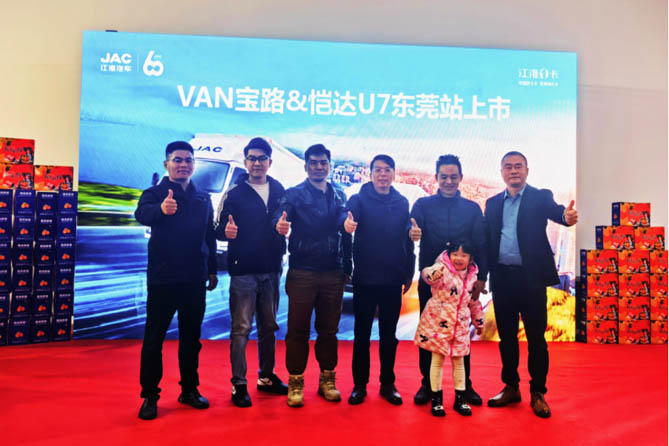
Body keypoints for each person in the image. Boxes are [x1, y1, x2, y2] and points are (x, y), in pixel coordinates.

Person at [484, 150, 578, 418]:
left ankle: (538, 392)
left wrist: (566, 217)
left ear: (527, 171)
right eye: (508, 167)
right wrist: (481, 277)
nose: (513, 171)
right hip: (502, 279)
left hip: (531, 280)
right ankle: (511, 387)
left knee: (536, 339)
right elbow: (487, 239)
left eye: (518, 166)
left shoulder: (540, 197)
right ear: (502, 172)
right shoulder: (492, 203)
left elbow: (558, 213)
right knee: (507, 338)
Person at [134, 141, 218, 420]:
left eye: (188, 160)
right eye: (177, 160)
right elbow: (141, 214)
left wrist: (212, 270)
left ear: (194, 164)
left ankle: (189, 390)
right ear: (166, 164)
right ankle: (149, 396)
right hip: (163, 278)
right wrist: (160, 210)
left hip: (194, 278)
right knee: (154, 339)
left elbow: (209, 236)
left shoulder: (202, 197)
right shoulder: (154, 194)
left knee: (191, 339)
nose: (183, 165)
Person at [273, 144, 352, 407]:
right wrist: (279, 224)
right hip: (303, 271)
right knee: (298, 330)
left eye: (323, 162)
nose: (319, 167)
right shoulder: (294, 194)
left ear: (330, 165)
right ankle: (295, 382)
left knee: (329, 331)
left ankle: (327, 380)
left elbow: (343, 221)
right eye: (314, 163)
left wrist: (347, 267)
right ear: (306, 166)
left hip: (333, 271)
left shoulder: (340, 194)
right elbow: (280, 215)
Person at [409, 154, 488, 406]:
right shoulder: (422, 205)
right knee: (428, 334)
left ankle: (465, 387)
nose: (449, 181)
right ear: (436, 178)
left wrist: (482, 278)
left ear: (461, 178)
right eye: (444, 176)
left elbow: (481, 244)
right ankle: (427, 385)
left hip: (462, 286)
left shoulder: (472, 209)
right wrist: (412, 232)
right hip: (432, 284)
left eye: (454, 177)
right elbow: (410, 227)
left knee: (460, 334)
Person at [215, 137, 288, 408]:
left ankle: (266, 377)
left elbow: (285, 220)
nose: (257, 163)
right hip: (243, 270)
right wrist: (226, 231)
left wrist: (284, 229)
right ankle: (239, 384)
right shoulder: (234, 193)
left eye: (262, 158)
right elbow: (217, 228)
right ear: (245, 162)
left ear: (270, 161)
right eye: (252, 158)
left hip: (271, 268)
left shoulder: (279, 189)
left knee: (269, 327)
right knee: (241, 329)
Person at [343, 154, 415, 406]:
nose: (382, 175)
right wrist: (347, 224)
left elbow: (407, 238)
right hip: (365, 278)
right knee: (361, 335)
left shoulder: (401, 202)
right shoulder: (358, 199)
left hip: (393, 279)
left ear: (394, 173)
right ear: (371, 173)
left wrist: (408, 272)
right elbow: (346, 218)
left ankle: (387, 383)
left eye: (387, 170)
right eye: (378, 170)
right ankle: (359, 385)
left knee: (388, 336)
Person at [414, 241, 485, 417]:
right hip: (440, 324)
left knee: (459, 362)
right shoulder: (442, 269)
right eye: (455, 254)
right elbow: (427, 275)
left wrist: (479, 322)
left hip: (460, 327)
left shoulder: (472, 277)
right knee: (437, 361)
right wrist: (432, 273)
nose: (459, 258)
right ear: (449, 255)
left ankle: (460, 399)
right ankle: (436, 400)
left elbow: (474, 302)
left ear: (470, 258)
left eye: (463, 255)